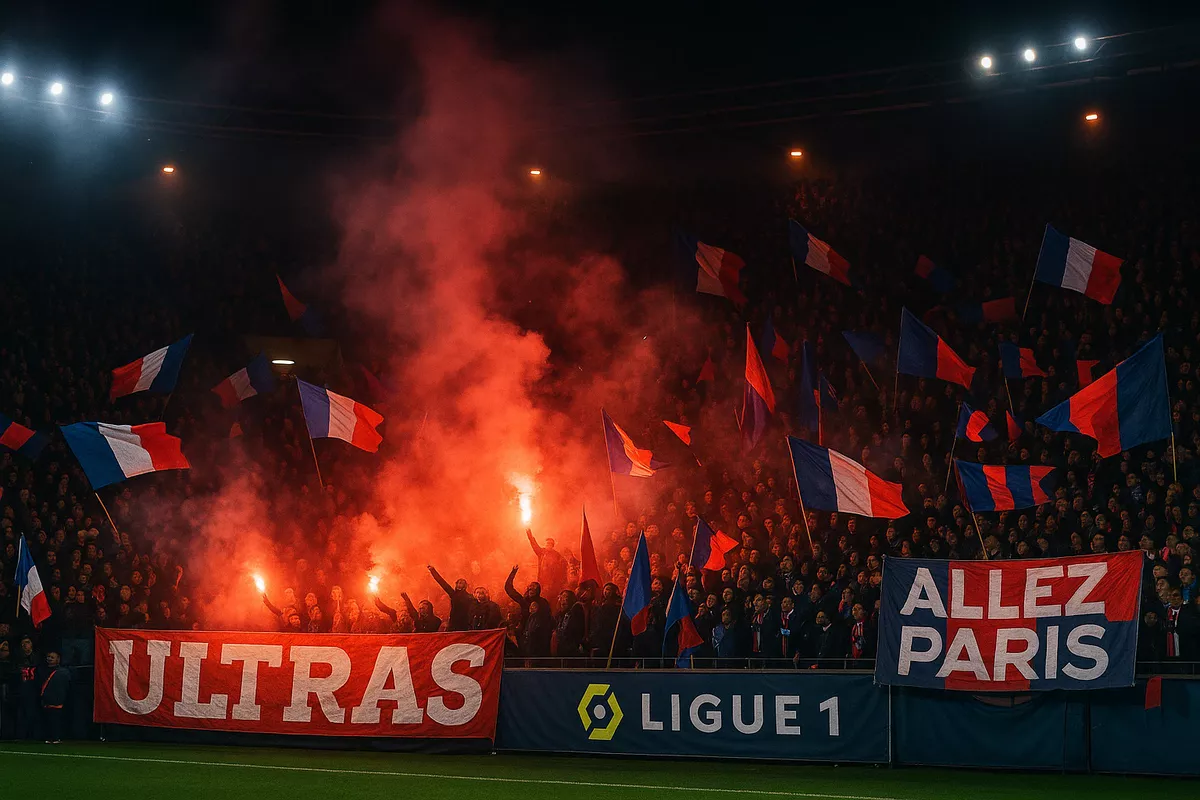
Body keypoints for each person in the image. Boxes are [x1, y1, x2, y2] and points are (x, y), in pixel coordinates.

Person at [428, 565, 473, 632]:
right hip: (454, 623)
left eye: (461, 583)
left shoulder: (470, 597)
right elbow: (442, 583)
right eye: (458, 583)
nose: (459, 584)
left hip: (465, 623)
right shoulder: (454, 594)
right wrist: (433, 571)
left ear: (465, 586)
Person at [526, 529, 567, 600]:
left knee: (550, 599)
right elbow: (534, 545)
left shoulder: (557, 555)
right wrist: (530, 535)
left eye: (550, 544)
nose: (548, 545)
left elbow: (563, 566)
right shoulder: (542, 552)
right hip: (542, 581)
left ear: (552, 545)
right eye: (547, 543)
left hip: (552, 584)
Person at [39, 651, 70, 744]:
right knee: (47, 720)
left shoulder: (63, 672)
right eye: (48, 657)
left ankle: (56, 737)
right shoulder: (41, 671)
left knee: (56, 720)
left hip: (57, 700)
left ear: (58, 659)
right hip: (46, 700)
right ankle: (49, 736)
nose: (49, 659)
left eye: (52, 657)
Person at [552, 589, 586, 660]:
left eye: (565, 597)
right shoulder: (561, 615)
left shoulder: (576, 610)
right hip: (563, 650)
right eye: (561, 598)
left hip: (571, 650)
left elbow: (575, 631)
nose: (563, 600)